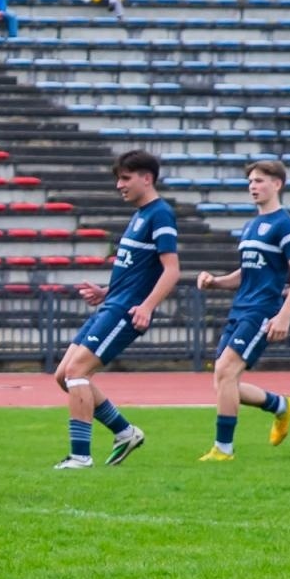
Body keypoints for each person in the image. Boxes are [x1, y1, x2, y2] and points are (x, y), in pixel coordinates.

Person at [51, 150, 179, 469]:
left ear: (146, 178)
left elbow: (172, 270)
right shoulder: (140, 215)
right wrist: (105, 292)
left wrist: (147, 307)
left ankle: (80, 456)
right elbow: (138, 272)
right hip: (112, 304)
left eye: (125, 178)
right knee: (63, 375)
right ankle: (125, 432)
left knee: (77, 373)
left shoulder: (160, 214)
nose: (119, 185)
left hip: (125, 311)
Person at [194, 160, 290, 462]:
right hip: (240, 308)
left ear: (277, 184)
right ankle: (281, 405)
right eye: (250, 182)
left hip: (262, 310)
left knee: (226, 371)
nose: (252, 187)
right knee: (223, 381)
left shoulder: (284, 224)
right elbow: (247, 273)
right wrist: (216, 282)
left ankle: (223, 449)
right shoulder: (251, 226)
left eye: (259, 181)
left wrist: (284, 315)